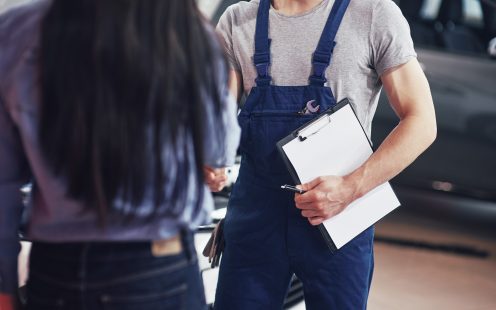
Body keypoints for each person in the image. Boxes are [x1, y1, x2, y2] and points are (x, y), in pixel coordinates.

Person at [0, 0, 240, 309]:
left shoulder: (19, 30)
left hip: (56, 270)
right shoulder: (183, 29)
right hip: (156, 266)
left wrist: (5, 285)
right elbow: (218, 149)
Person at [213, 0, 436, 309]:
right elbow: (217, 119)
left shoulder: (373, 14)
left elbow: (422, 121)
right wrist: (209, 158)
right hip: (255, 219)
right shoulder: (237, 21)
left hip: (339, 217)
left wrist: (351, 187)